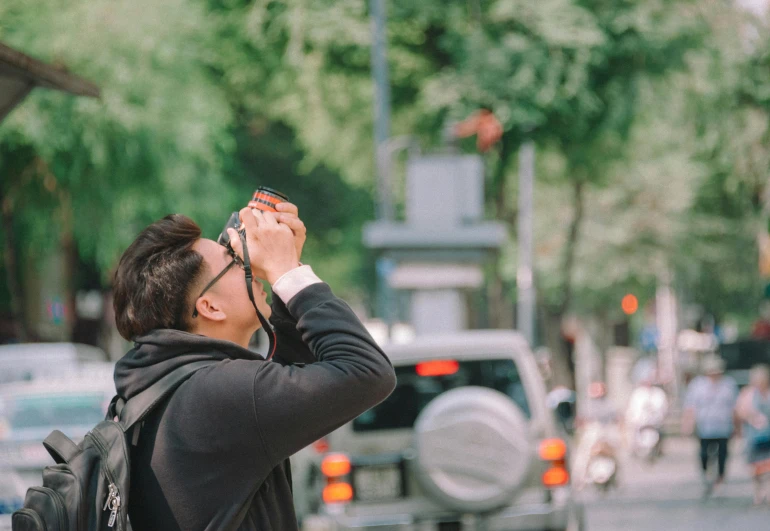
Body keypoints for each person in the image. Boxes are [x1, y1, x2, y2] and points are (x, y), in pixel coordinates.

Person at [111, 204, 396, 531]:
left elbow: (297, 378)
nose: (247, 261)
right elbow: (368, 372)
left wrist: (288, 269)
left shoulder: (165, 388)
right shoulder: (218, 393)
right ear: (210, 306)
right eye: (232, 261)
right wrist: (286, 270)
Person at [682, 355, 739, 495]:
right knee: (704, 453)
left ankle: (720, 476)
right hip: (705, 426)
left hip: (723, 426)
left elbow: (734, 407)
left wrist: (737, 426)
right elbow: (691, 407)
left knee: (723, 454)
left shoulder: (728, 384)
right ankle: (706, 474)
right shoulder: (697, 385)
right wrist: (688, 424)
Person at [736, 364, 770, 505]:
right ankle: (758, 491)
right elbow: (739, 411)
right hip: (753, 436)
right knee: (755, 467)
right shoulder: (748, 393)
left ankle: (767, 491)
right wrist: (752, 417)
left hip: (768, 435)